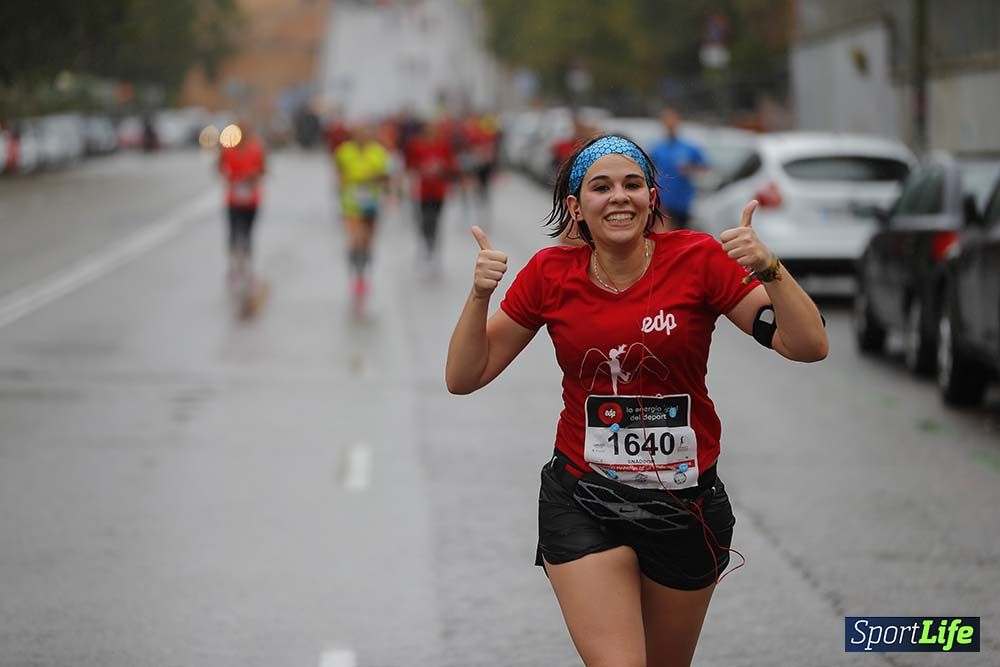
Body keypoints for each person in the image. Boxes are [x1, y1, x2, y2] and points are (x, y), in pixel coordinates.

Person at [445, 134, 828, 666]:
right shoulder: (551, 274)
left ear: (651, 197)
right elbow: (466, 376)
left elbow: (808, 345)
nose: (619, 197)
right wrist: (479, 294)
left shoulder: (699, 260)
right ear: (577, 208)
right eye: (601, 187)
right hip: (583, 497)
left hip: (685, 504)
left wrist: (769, 268)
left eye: (632, 184)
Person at [333, 123, 391, 312]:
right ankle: (355, 273)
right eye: (359, 134)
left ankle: (364, 273)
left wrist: (374, 179)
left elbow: (385, 177)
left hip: (371, 203)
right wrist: (341, 187)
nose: (362, 138)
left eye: (366, 135)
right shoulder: (344, 151)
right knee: (356, 238)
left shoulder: (378, 152)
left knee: (367, 241)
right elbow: (339, 174)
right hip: (351, 203)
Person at [218, 119, 267, 304]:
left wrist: (253, 176)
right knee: (233, 232)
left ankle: (246, 265)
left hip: (252, 200)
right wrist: (230, 177)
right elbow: (219, 167)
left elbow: (263, 169)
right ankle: (234, 265)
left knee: (247, 233)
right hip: (233, 199)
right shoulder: (227, 149)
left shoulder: (256, 148)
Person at [405, 119, 458, 274]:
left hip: (439, 191)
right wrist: (422, 168)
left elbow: (451, 165)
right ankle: (426, 244)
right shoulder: (417, 145)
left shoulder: (443, 145)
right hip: (422, 191)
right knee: (424, 220)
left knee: (435, 221)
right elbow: (410, 164)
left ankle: (434, 249)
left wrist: (441, 167)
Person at [649, 106, 707, 230]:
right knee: (666, 233)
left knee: (682, 234)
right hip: (664, 201)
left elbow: (704, 167)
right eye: (667, 121)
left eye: (673, 120)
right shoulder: (657, 148)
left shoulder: (689, 148)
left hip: (684, 200)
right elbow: (649, 171)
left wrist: (689, 168)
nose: (670, 124)